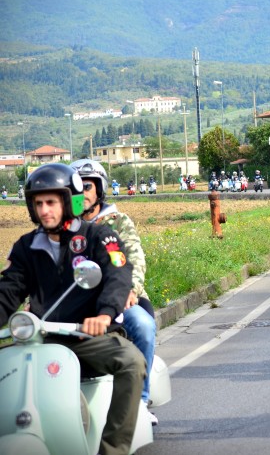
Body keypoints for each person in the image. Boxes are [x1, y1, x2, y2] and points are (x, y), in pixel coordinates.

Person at [0, 163, 145, 455]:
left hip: (87, 336)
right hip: (41, 339)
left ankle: (113, 449)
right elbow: (8, 291)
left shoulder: (100, 236)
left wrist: (104, 314)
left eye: (51, 202)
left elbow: (118, 275)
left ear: (69, 202)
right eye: (38, 203)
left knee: (131, 362)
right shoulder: (26, 247)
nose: (44, 210)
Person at [71, 159, 159, 426]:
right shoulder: (64, 226)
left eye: (87, 186)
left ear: (99, 189)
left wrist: (131, 290)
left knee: (143, 326)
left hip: (117, 299)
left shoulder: (117, 221)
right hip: (73, 304)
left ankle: (139, 402)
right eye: (75, 188)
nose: (82, 193)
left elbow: (134, 257)